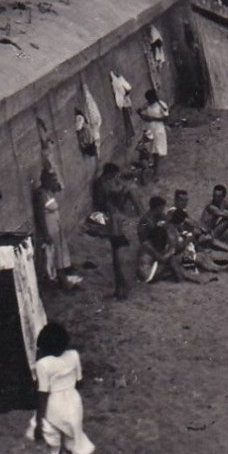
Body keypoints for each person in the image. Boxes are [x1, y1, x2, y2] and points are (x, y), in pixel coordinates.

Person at [33, 322, 97, 454]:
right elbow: (80, 382)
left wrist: (39, 423)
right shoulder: (73, 355)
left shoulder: (42, 365)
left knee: (54, 449)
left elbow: (42, 395)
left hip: (54, 409)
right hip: (73, 404)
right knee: (72, 444)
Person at [92, 162, 141, 300]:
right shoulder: (111, 187)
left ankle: (120, 291)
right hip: (118, 227)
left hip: (115, 227)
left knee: (117, 262)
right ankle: (122, 291)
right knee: (119, 262)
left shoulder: (105, 184)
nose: (116, 179)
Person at [138, 195, 208, 283]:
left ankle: (189, 276)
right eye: (162, 208)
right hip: (153, 249)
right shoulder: (146, 221)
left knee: (176, 256)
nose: (163, 210)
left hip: (156, 246)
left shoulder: (158, 215)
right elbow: (151, 235)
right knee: (173, 258)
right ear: (157, 208)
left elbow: (168, 223)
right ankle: (184, 278)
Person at [138, 90, 170, 179]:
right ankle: (148, 168)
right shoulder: (147, 104)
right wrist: (143, 117)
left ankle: (156, 173)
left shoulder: (161, 105)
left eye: (150, 99)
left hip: (158, 129)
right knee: (148, 150)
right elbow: (139, 111)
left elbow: (166, 118)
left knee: (157, 151)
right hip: (149, 129)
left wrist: (153, 118)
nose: (149, 101)